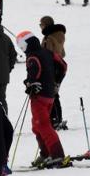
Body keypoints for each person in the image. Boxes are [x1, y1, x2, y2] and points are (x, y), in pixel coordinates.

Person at [16, 31, 70, 168]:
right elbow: (63, 65)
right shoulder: (47, 52)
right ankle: (46, 154)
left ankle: (57, 155)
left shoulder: (32, 57)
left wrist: (32, 83)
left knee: (42, 125)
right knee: (37, 125)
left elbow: (35, 70)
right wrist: (57, 81)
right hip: (50, 95)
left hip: (39, 96)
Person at [39, 16, 68, 130]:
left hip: (51, 69)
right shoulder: (59, 35)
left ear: (45, 25)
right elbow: (63, 53)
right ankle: (57, 119)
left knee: (51, 94)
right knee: (55, 94)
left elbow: (46, 54)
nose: (40, 27)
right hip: (59, 67)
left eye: (41, 24)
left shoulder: (49, 38)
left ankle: (55, 120)